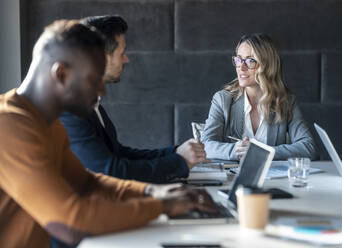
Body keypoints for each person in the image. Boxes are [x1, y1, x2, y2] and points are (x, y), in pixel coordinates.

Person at [0, 19, 216, 248]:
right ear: (61, 74)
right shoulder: (9, 125)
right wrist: (162, 205)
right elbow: (71, 225)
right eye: (94, 80)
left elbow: (87, 182)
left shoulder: (47, 122)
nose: (101, 89)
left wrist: (154, 191)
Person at [59, 15, 209, 183]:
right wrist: (179, 162)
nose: (126, 59)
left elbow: (119, 153)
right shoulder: (69, 111)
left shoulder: (91, 104)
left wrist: (176, 153)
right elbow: (108, 171)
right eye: (121, 53)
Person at [201, 34, 317, 161]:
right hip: (232, 177)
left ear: (267, 66)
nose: (241, 67)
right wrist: (236, 150)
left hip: (273, 178)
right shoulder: (223, 100)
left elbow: (308, 147)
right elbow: (205, 145)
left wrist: (263, 152)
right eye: (239, 59)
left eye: (250, 61)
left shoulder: (285, 101)